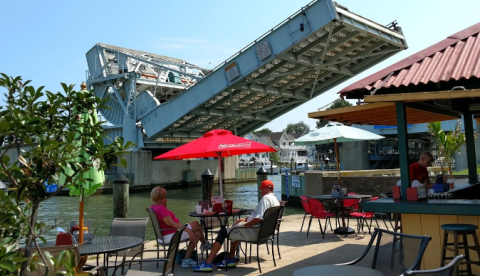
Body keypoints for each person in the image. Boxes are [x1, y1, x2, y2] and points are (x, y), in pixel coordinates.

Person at [192, 179, 280, 272]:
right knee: (234, 230)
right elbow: (262, 217)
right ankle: (230, 259)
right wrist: (246, 219)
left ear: (267, 188)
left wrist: (246, 224)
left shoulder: (265, 199)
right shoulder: (276, 201)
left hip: (255, 232)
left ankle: (207, 263)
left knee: (223, 232)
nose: (261, 192)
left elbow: (259, 218)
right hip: (265, 233)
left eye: (262, 189)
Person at [150, 187, 211, 268]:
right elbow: (171, 223)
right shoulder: (160, 209)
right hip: (171, 234)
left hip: (165, 234)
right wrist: (187, 230)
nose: (166, 198)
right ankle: (205, 244)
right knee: (196, 224)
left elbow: (165, 220)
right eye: (165, 196)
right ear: (160, 197)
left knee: (198, 233)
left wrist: (164, 205)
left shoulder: (153, 207)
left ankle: (187, 260)